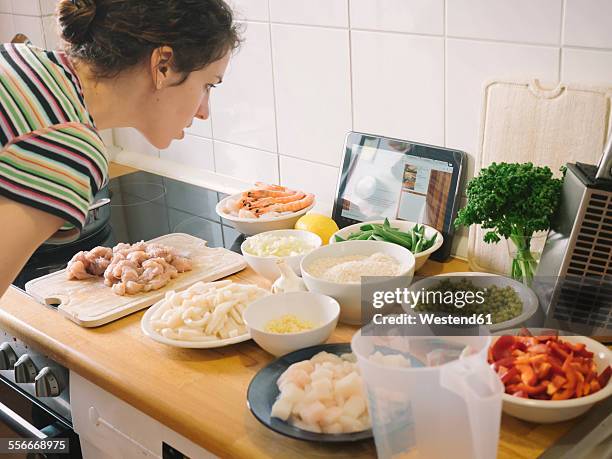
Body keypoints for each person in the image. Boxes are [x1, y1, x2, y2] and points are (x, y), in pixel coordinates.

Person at [0, 0, 240, 295]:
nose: (204, 112)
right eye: (208, 85)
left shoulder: (20, 58)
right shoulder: (68, 145)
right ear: (162, 65)